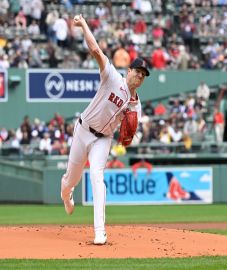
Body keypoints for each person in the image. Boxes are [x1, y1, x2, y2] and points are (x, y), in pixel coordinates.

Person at [60, 14, 150, 245]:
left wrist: (130, 135)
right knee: (71, 179)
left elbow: (131, 132)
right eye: (137, 71)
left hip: (103, 139)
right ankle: (66, 195)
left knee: (97, 178)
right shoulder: (112, 78)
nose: (139, 76)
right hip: (83, 130)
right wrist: (84, 26)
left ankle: (100, 231)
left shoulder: (136, 105)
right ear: (129, 70)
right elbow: (96, 51)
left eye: (143, 75)